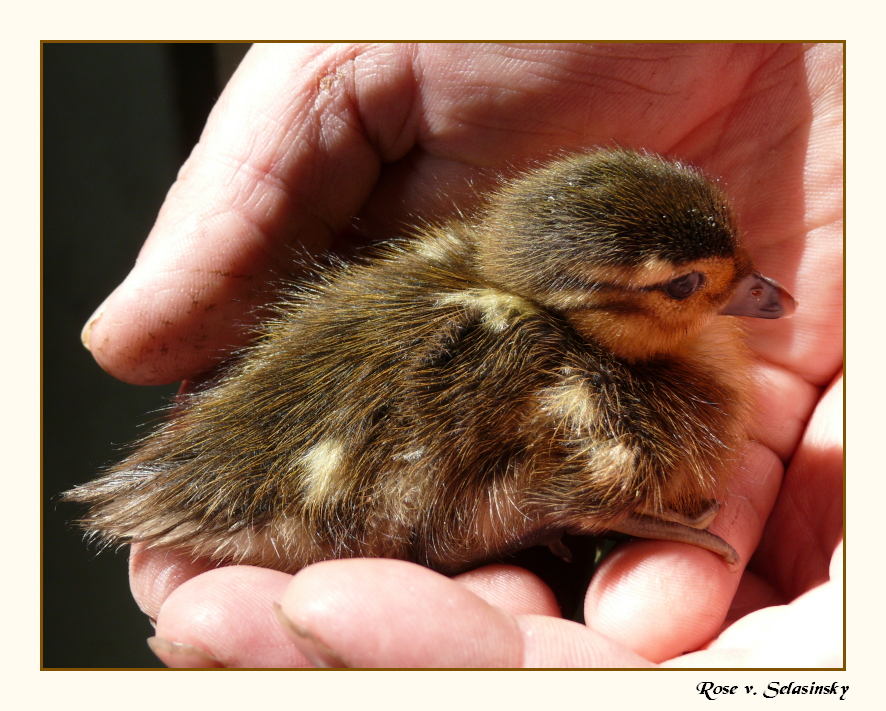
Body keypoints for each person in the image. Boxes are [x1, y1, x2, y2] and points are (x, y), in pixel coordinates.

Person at [81, 42, 843, 668]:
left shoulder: (474, 284)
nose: (766, 299)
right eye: (686, 286)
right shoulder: (604, 392)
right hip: (285, 492)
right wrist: (613, 506)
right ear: (586, 304)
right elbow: (570, 475)